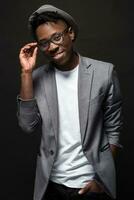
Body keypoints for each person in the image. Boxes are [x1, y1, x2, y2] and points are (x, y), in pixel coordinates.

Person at [17, 4, 123, 200]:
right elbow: (27, 125)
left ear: (70, 33)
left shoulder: (104, 73)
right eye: (44, 43)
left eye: (57, 37)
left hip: (90, 185)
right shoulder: (38, 77)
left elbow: (113, 129)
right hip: (51, 184)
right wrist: (26, 73)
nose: (52, 47)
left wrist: (100, 180)